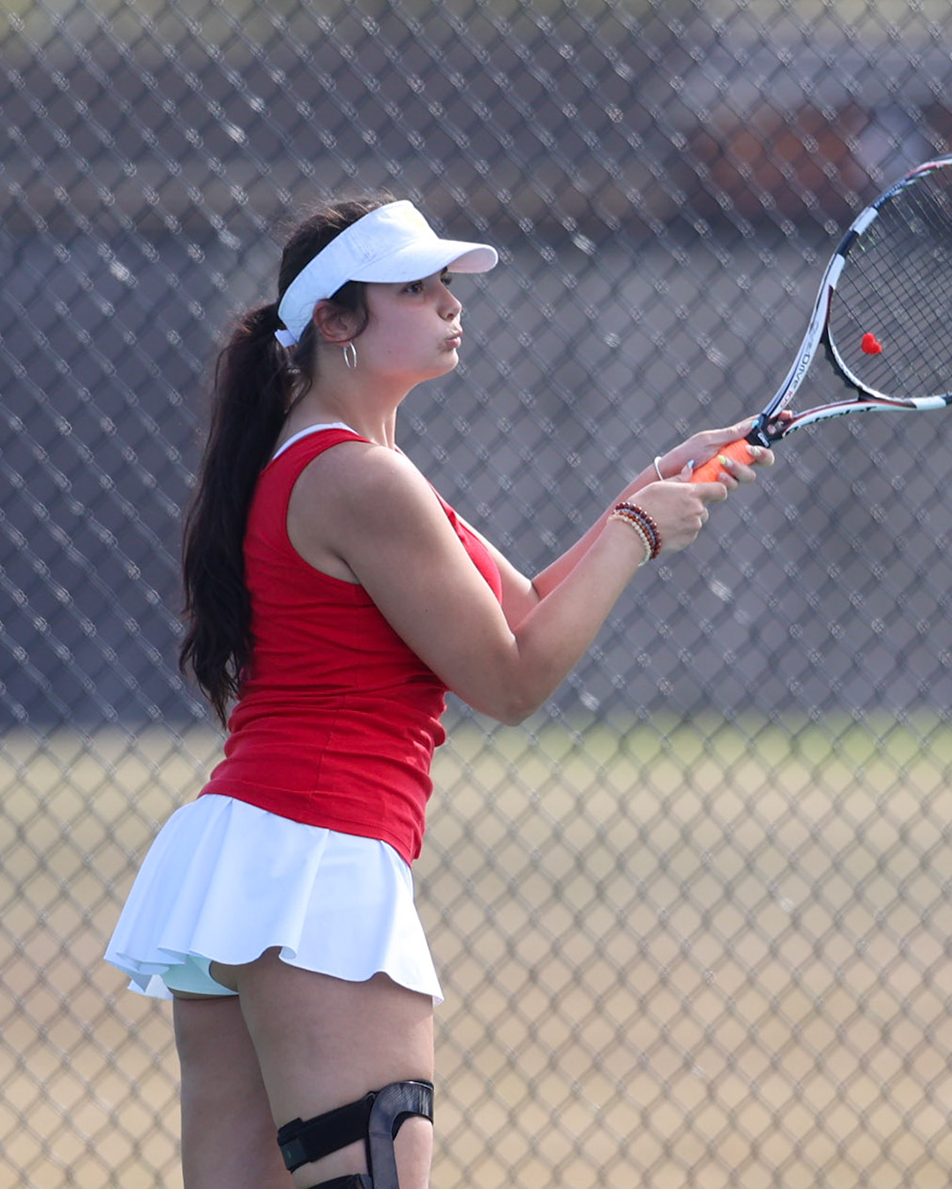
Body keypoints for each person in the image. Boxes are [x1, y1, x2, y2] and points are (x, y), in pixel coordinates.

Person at [104, 194, 771, 1189]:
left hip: (252, 857)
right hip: (314, 866)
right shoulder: (362, 480)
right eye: (415, 288)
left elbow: (527, 606)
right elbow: (510, 677)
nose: (450, 306)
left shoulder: (350, 463)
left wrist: (644, 485)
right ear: (336, 320)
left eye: (447, 286)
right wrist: (634, 533)